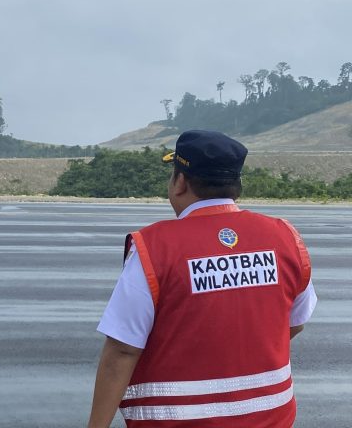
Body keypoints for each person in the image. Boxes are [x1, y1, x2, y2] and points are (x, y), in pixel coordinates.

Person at [87, 130, 317, 428]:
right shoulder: (285, 236)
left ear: (180, 182)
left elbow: (122, 350)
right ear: (236, 185)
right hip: (271, 420)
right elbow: (295, 321)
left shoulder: (153, 248)